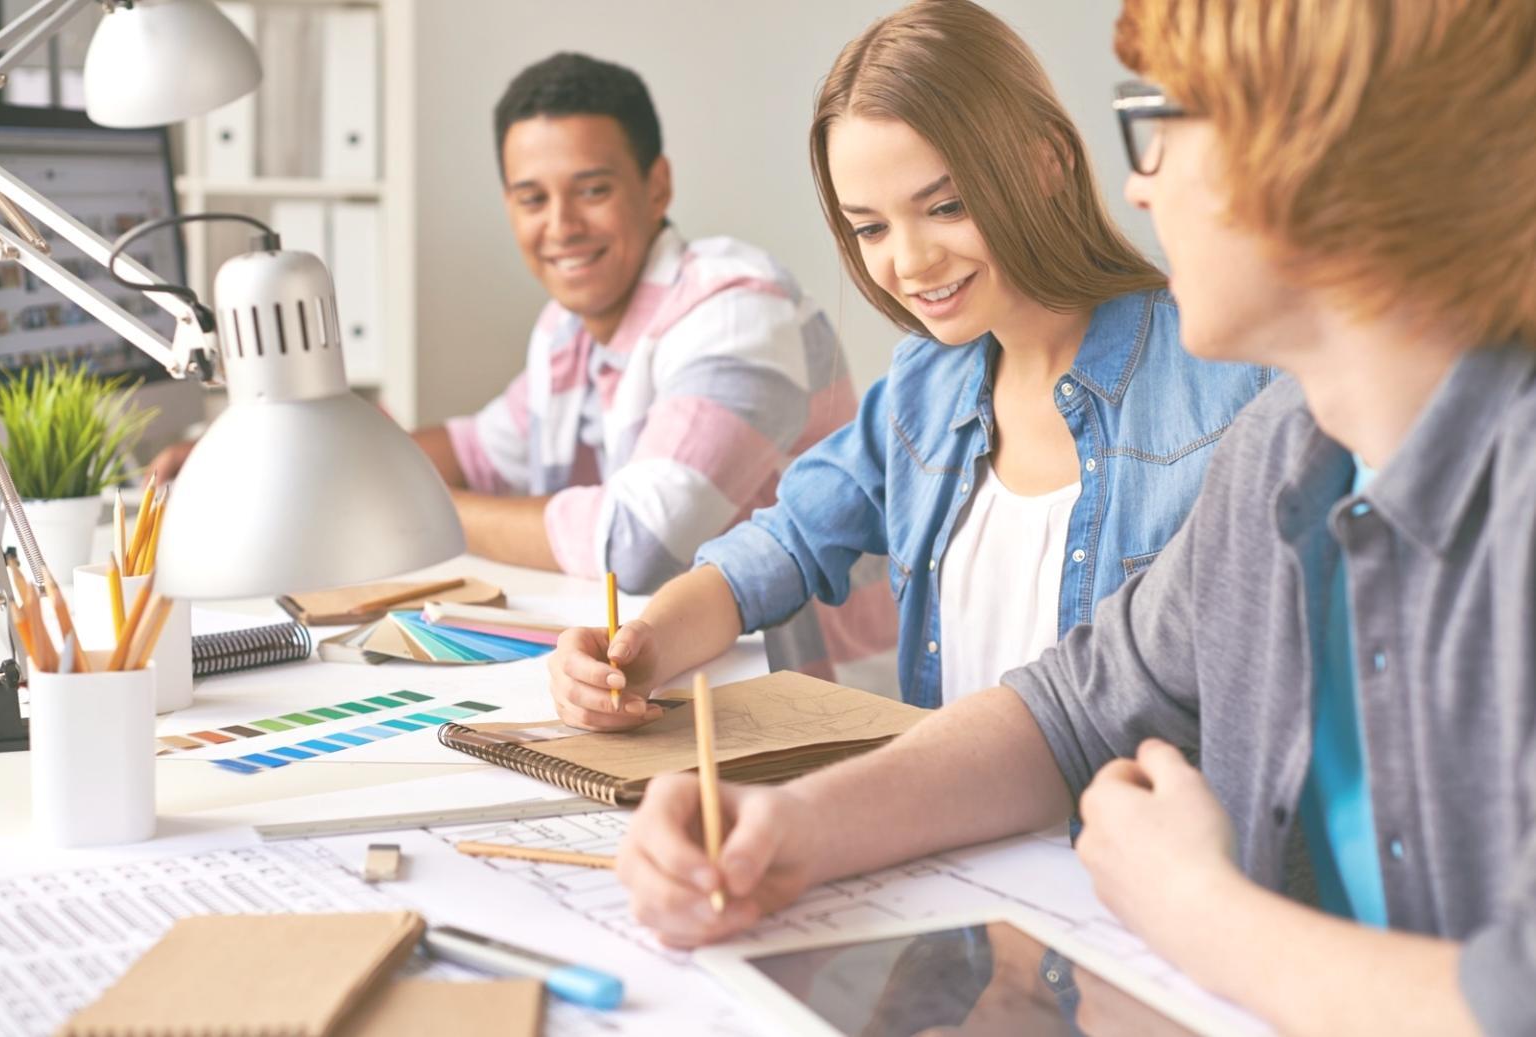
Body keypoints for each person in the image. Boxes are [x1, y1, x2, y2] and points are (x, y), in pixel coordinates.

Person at [612, 0, 1536, 1034]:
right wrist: (794, 826)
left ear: (1318, 157)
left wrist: (1199, 906)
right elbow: (1068, 711)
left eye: (1161, 124)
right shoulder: (1283, 453)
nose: (1137, 182)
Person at [546, 0, 1267, 729]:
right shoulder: (924, 387)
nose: (911, 261)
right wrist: (640, 646)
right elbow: (779, 546)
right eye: (870, 228)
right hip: (938, 802)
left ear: (1049, 161)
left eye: (946, 207)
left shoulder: (1236, 380)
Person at [152, 52, 862, 599]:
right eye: (532, 198)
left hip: (807, 705)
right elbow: (477, 451)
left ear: (657, 186)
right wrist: (271, 467)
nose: (561, 226)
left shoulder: (735, 310)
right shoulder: (566, 330)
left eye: (592, 189)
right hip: (671, 678)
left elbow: (636, 547)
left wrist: (401, 508)